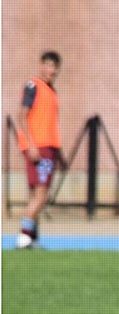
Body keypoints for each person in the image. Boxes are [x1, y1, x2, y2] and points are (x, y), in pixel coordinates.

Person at [15, 51, 63, 250]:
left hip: (48, 147)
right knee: (42, 195)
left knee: (35, 194)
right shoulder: (34, 86)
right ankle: (24, 237)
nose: (51, 70)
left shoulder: (51, 90)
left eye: (54, 66)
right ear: (41, 65)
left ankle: (32, 238)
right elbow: (22, 115)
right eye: (48, 65)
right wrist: (31, 144)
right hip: (39, 147)